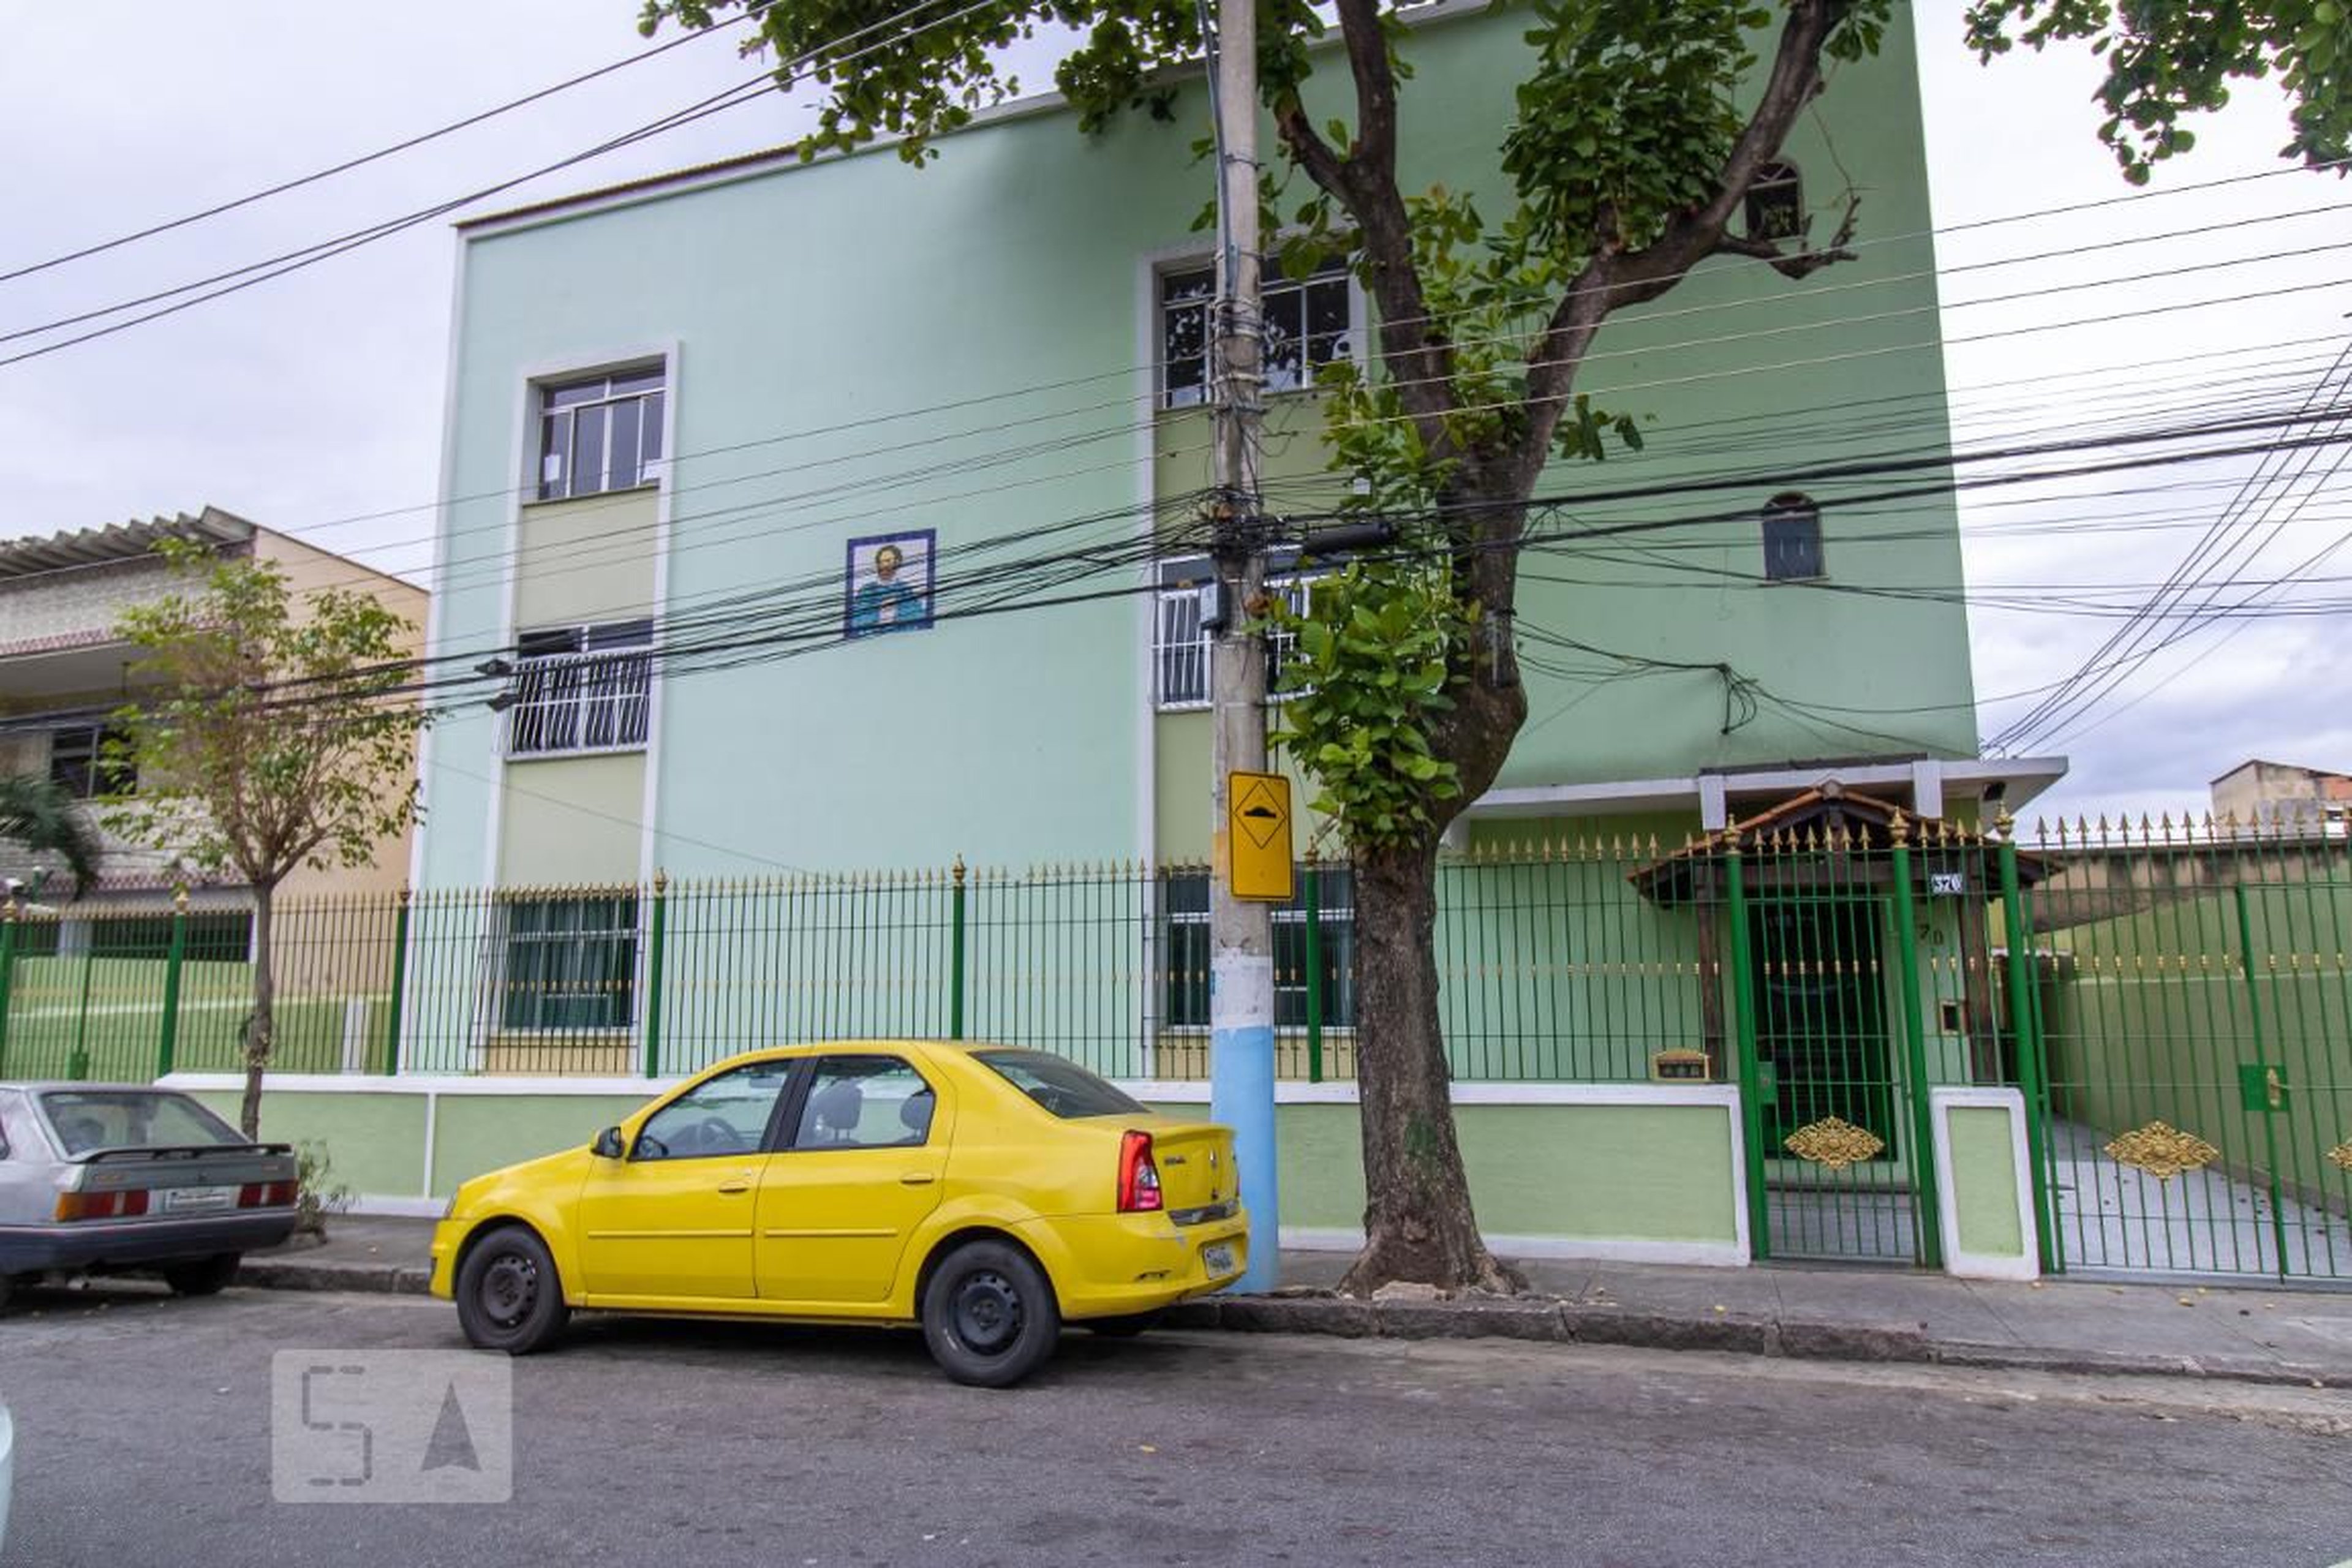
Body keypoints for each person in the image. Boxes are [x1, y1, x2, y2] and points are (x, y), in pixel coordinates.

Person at [850, 541, 925, 633]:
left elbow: (918, 616)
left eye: (889, 561)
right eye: (881, 562)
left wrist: (896, 610)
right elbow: (856, 620)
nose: (884, 566)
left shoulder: (904, 589)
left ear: (897, 563)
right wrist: (880, 612)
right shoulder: (867, 590)